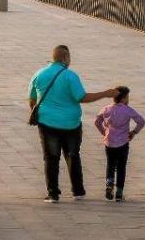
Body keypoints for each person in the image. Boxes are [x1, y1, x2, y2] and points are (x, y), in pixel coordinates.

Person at [27, 45, 118, 203]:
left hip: (47, 123)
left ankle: (53, 193)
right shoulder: (70, 76)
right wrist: (106, 93)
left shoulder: (39, 74)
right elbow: (81, 97)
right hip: (71, 124)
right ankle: (78, 191)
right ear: (65, 58)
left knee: (51, 158)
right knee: (73, 155)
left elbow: (32, 99)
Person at [94, 86, 145, 202]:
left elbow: (97, 122)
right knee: (121, 167)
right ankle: (119, 193)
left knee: (110, 164)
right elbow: (141, 121)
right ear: (124, 98)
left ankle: (109, 184)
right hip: (123, 142)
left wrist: (104, 132)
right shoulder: (128, 110)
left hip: (109, 143)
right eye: (127, 97)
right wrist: (133, 132)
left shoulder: (106, 109)